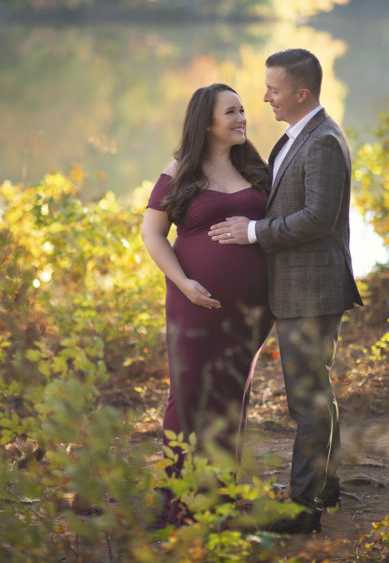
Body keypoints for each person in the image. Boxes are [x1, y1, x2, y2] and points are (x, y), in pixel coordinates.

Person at [208, 49, 363, 534]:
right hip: (298, 289)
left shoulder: (322, 143)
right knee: (316, 394)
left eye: (273, 89)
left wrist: (252, 232)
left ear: (302, 94)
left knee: (307, 401)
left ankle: (303, 509)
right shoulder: (295, 138)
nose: (265, 97)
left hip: (313, 292)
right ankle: (325, 488)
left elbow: (318, 218)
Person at [141, 82, 274, 528]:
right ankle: (177, 499)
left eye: (242, 110)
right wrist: (183, 283)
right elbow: (152, 234)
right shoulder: (180, 170)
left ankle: (219, 496)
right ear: (207, 122)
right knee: (189, 394)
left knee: (231, 396)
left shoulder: (257, 168)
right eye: (231, 112)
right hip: (193, 302)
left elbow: (279, 225)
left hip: (252, 310)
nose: (242, 119)